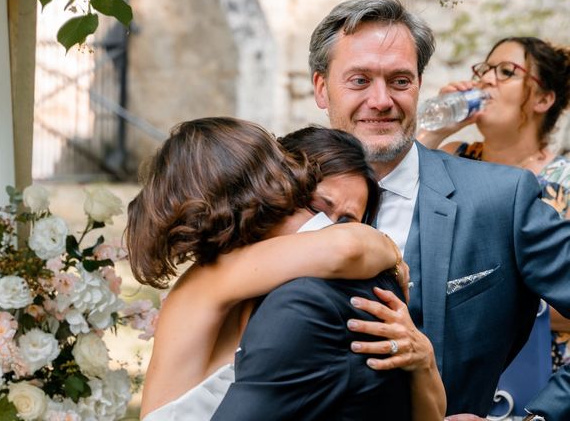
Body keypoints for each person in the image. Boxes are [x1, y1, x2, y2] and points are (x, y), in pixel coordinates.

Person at [308, 0, 570, 420]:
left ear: (419, 85)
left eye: (399, 81)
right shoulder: (281, 196)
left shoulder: (502, 198)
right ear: (322, 88)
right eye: (359, 81)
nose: (381, 100)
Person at [126, 117, 445, 420]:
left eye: (348, 221)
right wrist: (388, 248)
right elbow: (345, 248)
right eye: (318, 207)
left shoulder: (262, 280)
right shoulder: (214, 277)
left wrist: (424, 359)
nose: (326, 225)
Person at [417, 36, 570, 374]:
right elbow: (395, 203)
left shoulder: (565, 180)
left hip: (540, 372)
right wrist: (435, 131)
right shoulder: (451, 156)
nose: (486, 79)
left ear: (544, 98)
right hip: (448, 367)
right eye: (484, 69)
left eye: (505, 72)